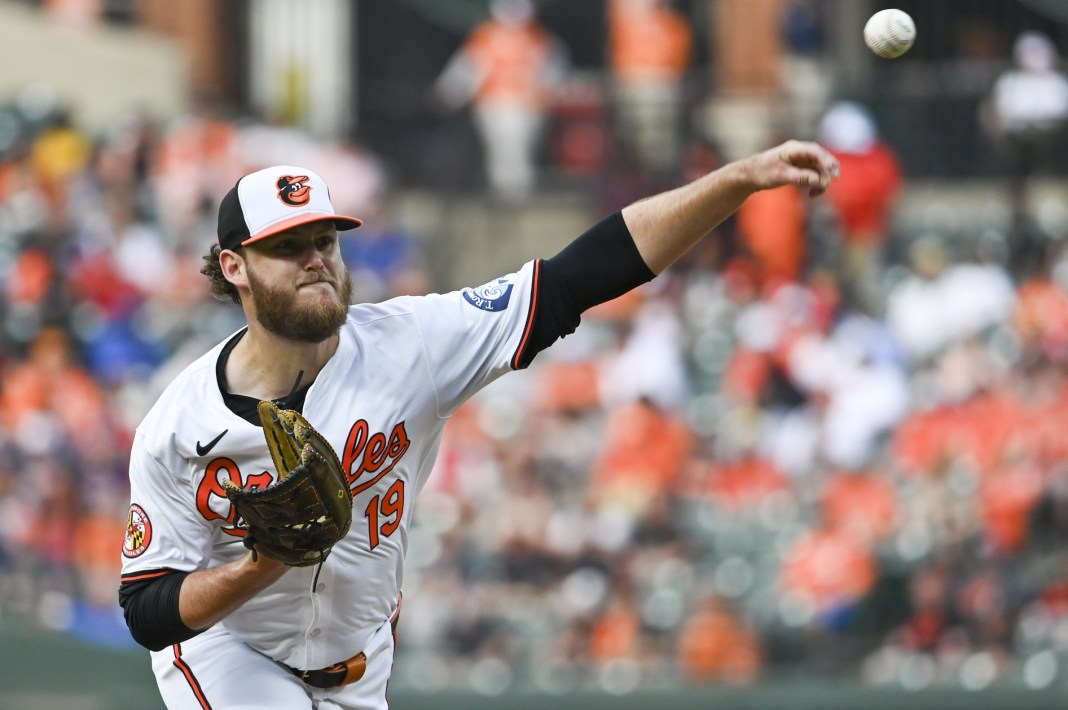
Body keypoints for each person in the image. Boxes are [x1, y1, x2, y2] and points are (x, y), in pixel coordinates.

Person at [118, 141, 839, 709]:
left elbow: (577, 277)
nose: (315, 261)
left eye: (326, 241)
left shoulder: (412, 343)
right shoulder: (179, 425)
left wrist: (735, 182)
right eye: (287, 247)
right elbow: (149, 611)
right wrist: (261, 565)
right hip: (230, 655)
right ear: (232, 266)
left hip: (360, 660)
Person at [433, 0, 568, 201]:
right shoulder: (485, 37)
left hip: (527, 106)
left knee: (518, 150)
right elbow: (467, 69)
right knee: (503, 150)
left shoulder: (539, 38)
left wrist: (557, 93)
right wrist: (447, 93)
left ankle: (515, 196)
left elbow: (554, 73)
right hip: (494, 104)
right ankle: (508, 197)